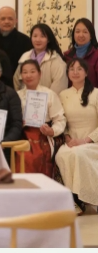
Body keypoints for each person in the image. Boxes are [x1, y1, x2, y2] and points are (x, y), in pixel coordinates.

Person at [56, 58, 98, 214]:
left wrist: (86, 140)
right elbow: (62, 121)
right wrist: (67, 137)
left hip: (93, 142)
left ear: (86, 73)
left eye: (79, 69)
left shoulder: (96, 94)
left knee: (79, 154)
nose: (75, 72)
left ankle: (82, 198)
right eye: (72, 69)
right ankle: (72, 199)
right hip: (72, 141)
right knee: (62, 155)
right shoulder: (63, 94)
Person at [16, 60, 66, 176]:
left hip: (43, 134)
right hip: (22, 135)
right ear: (21, 76)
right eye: (25, 72)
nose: (28, 75)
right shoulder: (17, 95)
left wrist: (52, 130)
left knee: (36, 157)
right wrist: (19, 123)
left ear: (40, 74)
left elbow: (60, 119)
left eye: (32, 71)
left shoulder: (49, 94)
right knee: (19, 154)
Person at [14, 23, 67, 94]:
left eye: (42, 36)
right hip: (25, 101)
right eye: (35, 36)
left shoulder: (55, 60)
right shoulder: (24, 58)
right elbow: (16, 81)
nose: (38, 40)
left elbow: (59, 85)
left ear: (48, 39)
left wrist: (46, 101)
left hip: (47, 102)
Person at [0, 6, 33, 74]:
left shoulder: (25, 40)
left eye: (10, 19)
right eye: (3, 19)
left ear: (16, 21)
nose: (6, 21)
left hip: (18, 80)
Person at [63, 18, 98, 87]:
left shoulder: (96, 55)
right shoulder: (66, 55)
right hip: (70, 95)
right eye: (77, 31)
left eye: (85, 32)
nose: (81, 35)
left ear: (91, 35)